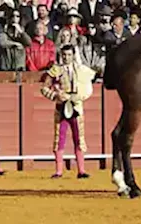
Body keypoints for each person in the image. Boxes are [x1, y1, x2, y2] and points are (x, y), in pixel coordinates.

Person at [40, 43, 95, 179]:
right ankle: (59, 171)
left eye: (69, 55)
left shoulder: (80, 70)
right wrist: (55, 96)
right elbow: (44, 88)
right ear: (61, 55)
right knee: (59, 138)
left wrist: (78, 96)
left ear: (73, 55)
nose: (66, 57)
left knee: (79, 139)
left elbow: (87, 88)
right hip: (61, 107)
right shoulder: (55, 70)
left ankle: (81, 170)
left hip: (76, 106)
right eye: (64, 55)